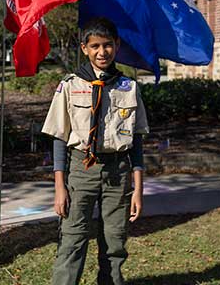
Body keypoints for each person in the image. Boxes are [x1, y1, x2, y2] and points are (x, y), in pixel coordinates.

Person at [41, 17, 149, 285]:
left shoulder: (129, 87)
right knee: (73, 239)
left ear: (117, 45)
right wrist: (59, 187)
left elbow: (136, 142)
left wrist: (138, 188)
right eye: (95, 46)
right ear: (84, 48)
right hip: (80, 170)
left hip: (118, 171)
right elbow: (59, 138)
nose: (102, 52)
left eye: (108, 45)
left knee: (115, 241)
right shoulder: (70, 85)